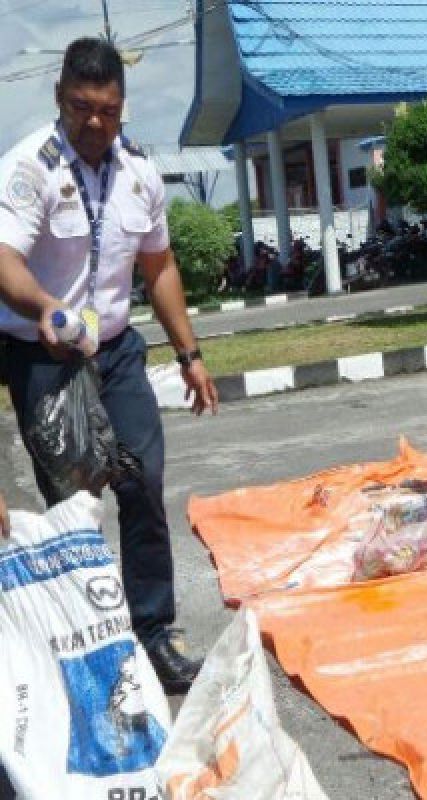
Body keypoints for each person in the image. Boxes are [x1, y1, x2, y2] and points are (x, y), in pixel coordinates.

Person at [0, 37, 218, 693]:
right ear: (60, 98)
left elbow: (160, 267)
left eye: (109, 110)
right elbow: (4, 258)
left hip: (116, 350)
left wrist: (191, 354)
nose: (95, 123)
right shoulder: (29, 169)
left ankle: (154, 632)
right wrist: (42, 305)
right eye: (81, 108)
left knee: (142, 480)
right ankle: (93, 644)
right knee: (75, 500)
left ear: (123, 107)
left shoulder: (140, 172)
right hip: (44, 355)